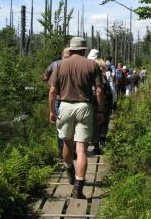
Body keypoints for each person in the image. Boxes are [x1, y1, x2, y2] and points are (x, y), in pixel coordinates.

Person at [49, 37, 104, 199]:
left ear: (71, 49)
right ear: (84, 50)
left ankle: (69, 169)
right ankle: (78, 189)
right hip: (85, 107)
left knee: (66, 142)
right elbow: (99, 91)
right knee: (81, 149)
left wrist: (52, 110)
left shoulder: (59, 65)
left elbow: (52, 91)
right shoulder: (92, 65)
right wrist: (100, 111)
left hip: (65, 106)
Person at [43, 47, 72, 159]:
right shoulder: (74, 64)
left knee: (60, 127)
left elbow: (45, 76)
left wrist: (50, 81)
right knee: (72, 126)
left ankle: (62, 153)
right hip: (72, 99)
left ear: (62, 55)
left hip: (58, 99)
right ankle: (72, 152)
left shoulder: (55, 64)